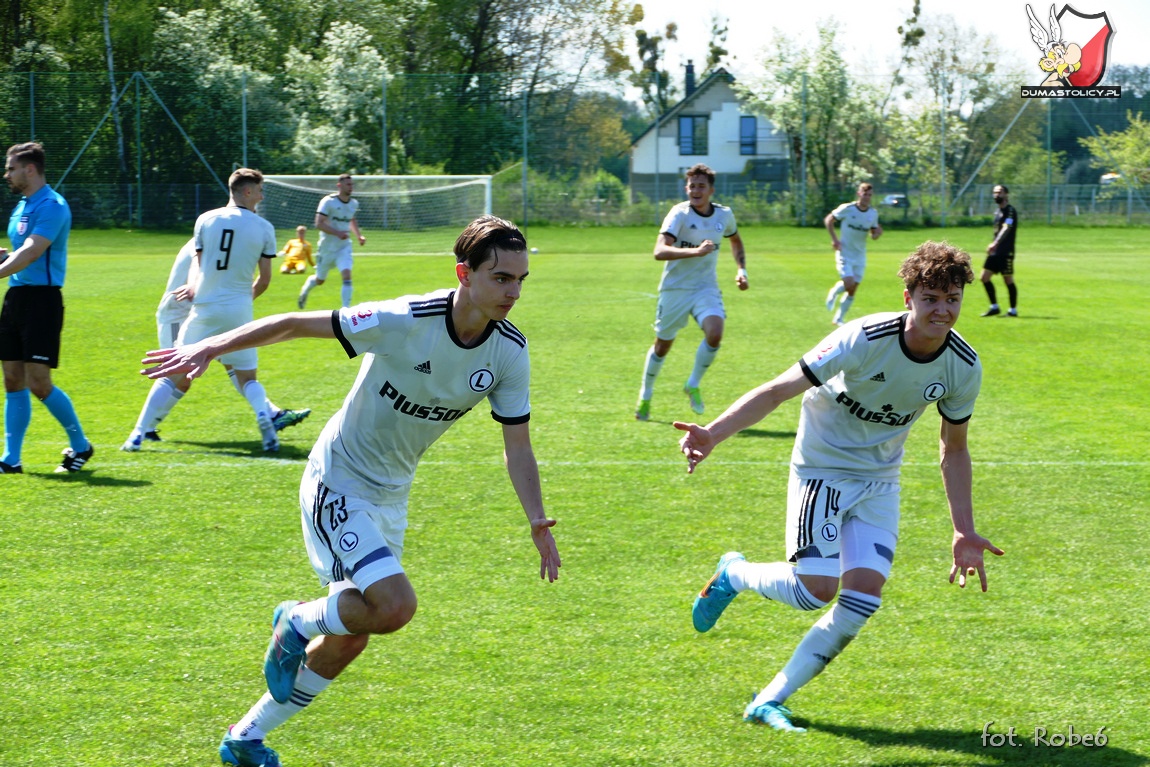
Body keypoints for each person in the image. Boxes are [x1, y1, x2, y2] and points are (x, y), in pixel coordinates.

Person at [140, 215, 561, 767]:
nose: (513, 291)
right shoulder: (406, 319)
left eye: (521, 279)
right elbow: (293, 322)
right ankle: (294, 620)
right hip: (338, 476)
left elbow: (518, 445)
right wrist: (209, 346)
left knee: (352, 634)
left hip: (392, 493)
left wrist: (535, 518)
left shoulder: (508, 352)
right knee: (394, 605)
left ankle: (243, 739)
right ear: (465, 272)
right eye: (501, 277)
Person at [676, 241, 1003, 732]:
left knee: (863, 598)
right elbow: (779, 389)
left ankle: (767, 701)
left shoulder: (962, 365)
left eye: (952, 298)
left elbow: (953, 448)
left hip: (880, 481)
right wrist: (714, 433)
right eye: (931, 297)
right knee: (815, 591)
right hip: (822, 468)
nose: (943, 310)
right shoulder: (863, 336)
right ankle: (734, 573)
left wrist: (964, 530)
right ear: (908, 295)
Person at [120, 237, 311, 452]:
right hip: (179, 312)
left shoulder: (220, 233)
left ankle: (272, 413)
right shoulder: (210, 235)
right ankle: (147, 429)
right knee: (181, 376)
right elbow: (200, 268)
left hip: (205, 311)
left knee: (231, 366)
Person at [0, 142, 92, 474]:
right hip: (15, 299)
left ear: (30, 169)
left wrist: (6, 264)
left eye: (11, 168)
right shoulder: (21, 206)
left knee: (39, 382)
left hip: (42, 302)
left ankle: (81, 445)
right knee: (12, 379)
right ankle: (12, 459)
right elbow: (18, 253)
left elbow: (31, 252)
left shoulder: (53, 206)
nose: (6, 174)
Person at [635, 163, 747, 421]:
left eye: (701, 186)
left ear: (711, 190)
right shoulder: (679, 214)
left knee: (715, 333)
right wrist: (695, 251)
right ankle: (646, 394)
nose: (695, 190)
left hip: (705, 287)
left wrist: (742, 270)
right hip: (675, 289)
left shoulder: (724, 215)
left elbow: (736, 240)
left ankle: (693, 383)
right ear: (686, 188)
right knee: (663, 346)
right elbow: (659, 251)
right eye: (691, 186)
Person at [297, 174, 365, 309]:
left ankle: (345, 309)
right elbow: (319, 223)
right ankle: (305, 290)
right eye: (348, 184)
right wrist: (337, 233)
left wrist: (359, 236)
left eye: (352, 184)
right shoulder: (328, 201)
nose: (351, 187)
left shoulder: (353, 203)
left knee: (347, 275)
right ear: (339, 185)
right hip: (327, 248)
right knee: (320, 280)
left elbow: (351, 219)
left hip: (344, 247)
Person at [824, 182, 882, 326]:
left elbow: (873, 234)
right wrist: (835, 240)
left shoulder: (872, 213)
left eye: (869, 195)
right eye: (865, 194)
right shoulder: (847, 209)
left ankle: (839, 318)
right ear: (859, 194)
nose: (867, 197)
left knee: (853, 289)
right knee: (848, 283)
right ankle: (834, 293)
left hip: (860, 255)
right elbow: (829, 220)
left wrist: (877, 234)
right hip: (845, 252)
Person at [980, 184, 1018, 317]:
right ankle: (994, 307)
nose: (997, 194)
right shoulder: (997, 212)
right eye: (995, 192)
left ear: (1006, 194)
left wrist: (995, 243)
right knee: (984, 278)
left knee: (1008, 280)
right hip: (995, 252)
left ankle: (1013, 310)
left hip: (1005, 252)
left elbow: (1006, 228)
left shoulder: (1010, 211)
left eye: (1000, 192)